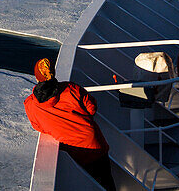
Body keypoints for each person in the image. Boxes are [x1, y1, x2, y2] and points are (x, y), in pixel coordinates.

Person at [24, 58, 115, 191]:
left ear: (37, 78)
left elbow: (38, 126)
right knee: (106, 184)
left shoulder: (30, 104)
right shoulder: (71, 89)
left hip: (73, 153)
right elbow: (92, 108)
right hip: (94, 145)